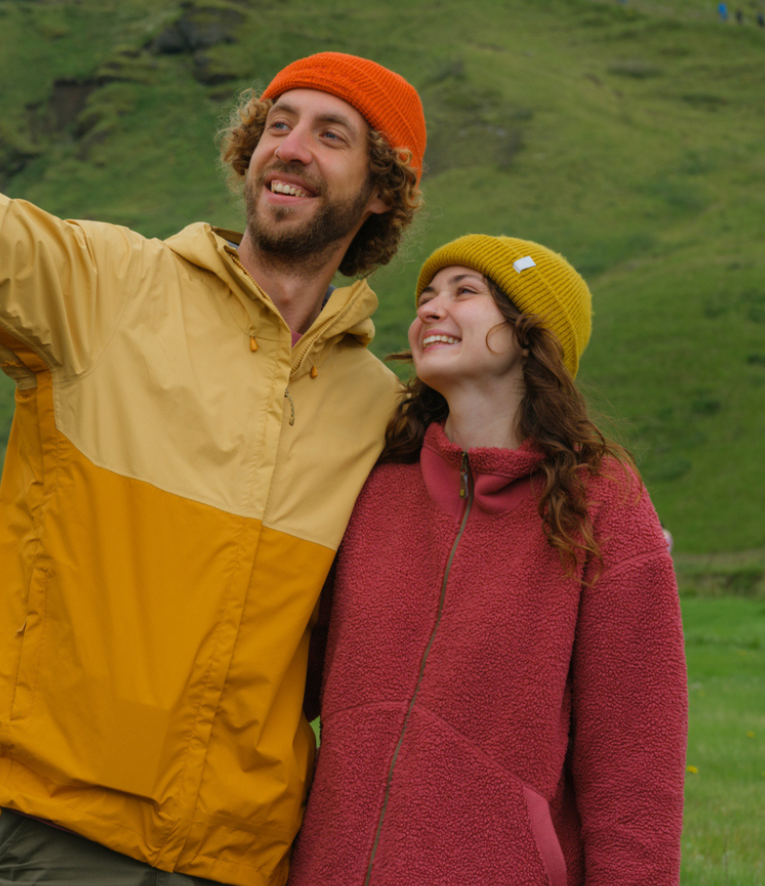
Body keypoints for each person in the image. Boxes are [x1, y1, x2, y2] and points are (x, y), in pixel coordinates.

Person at [0, 0, 425, 886]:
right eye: (278, 124)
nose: (291, 149)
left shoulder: (379, 409)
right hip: (67, 832)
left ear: (381, 192)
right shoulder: (108, 283)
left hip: (246, 857)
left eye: (333, 136)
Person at [290, 236, 686, 885]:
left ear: (533, 333)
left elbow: (635, 762)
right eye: (426, 296)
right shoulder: (375, 481)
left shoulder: (601, 501)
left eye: (463, 292)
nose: (430, 309)